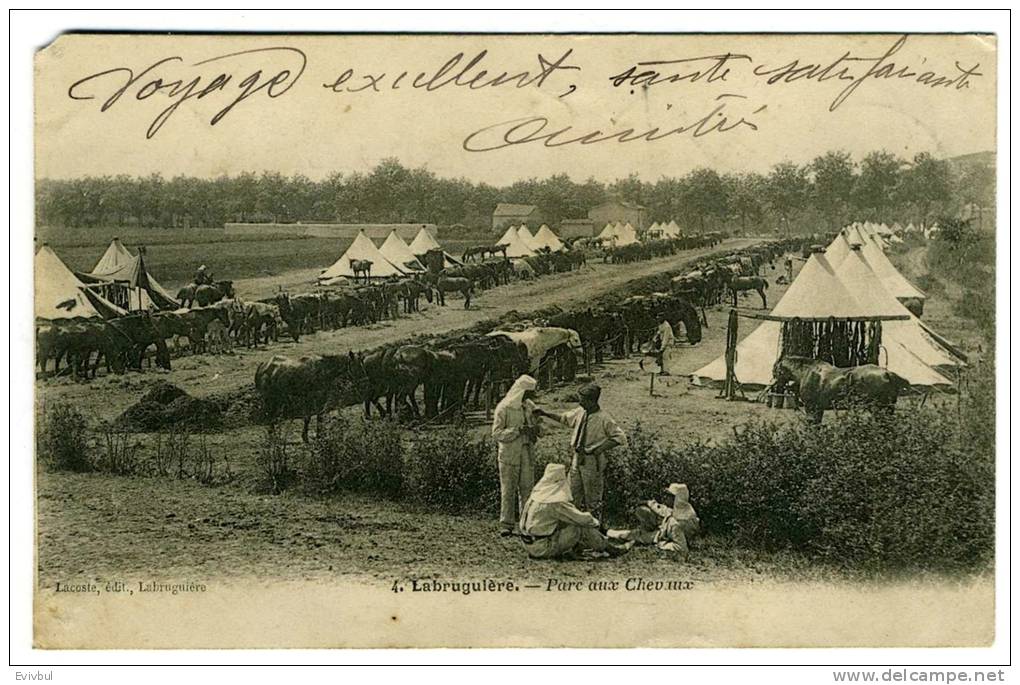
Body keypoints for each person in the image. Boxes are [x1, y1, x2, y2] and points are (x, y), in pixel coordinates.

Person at [533, 383, 627, 522]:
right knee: (571, 494)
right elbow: (564, 419)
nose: (580, 402)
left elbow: (620, 438)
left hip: (592, 461)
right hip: (577, 459)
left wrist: (599, 449)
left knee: (593, 498)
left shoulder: (604, 418)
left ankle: (595, 529)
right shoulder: (580, 412)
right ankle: (573, 526)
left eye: (582, 399)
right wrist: (545, 413)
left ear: (591, 401)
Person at [518, 463, 624, 559]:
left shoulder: (536, 496)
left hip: (528, 544)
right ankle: (609, 548)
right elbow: (583, 519)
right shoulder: (555, 501)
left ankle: (579, 548)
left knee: (566, 521)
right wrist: (597, 524)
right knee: (579, 526)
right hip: (543, 548)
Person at [491, 375, 540, 537]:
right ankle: (506, 523)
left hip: (526, 451)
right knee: (508, 488)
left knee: (527, 488)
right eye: (528, 394)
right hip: (509, 454)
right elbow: (497, 433)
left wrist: (535, 430)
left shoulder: (529, 407)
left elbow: (539, 426)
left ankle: (526, 523)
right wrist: (517, 431)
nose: (530, 398)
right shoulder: (504, 408)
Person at [607, 483, 701, 555]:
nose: (666, 498)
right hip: (666, 534)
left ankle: (610, 534)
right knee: (638, 527)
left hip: (665, 537)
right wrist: (647, 502)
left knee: (638, 535)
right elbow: (662, 509)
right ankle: (609, 533)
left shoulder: (676, 522)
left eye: (669, 496)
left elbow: (681, 548)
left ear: (676, 498)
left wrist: (662, 544)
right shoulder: (685, 510)